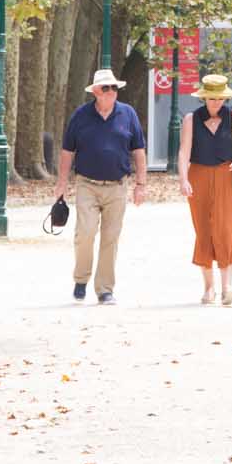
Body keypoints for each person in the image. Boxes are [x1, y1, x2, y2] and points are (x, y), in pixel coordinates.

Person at [54, 68, 146, 305]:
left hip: (117, 185)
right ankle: (81, 279)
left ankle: (105, 289)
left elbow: (138, 150)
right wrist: (61, 183)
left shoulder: (128, 114)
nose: (111, 92)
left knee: (111, 237)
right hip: (87, 184)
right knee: (85, 233)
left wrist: (140, 184)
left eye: (114, 87)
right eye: (106, 88)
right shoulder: (80, 116)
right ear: (95, 91)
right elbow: (67, 152)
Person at [179, 74, 232, 306]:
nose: (216, 103)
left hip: (227, 175)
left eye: (220, 98)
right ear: (204, 97)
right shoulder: (191, 119)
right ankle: (208, 288)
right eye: (211, 98)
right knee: (204, 229)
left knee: (227, 229)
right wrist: (183, 179)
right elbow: (184, 151)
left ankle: (227, 287)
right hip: (198, 175)